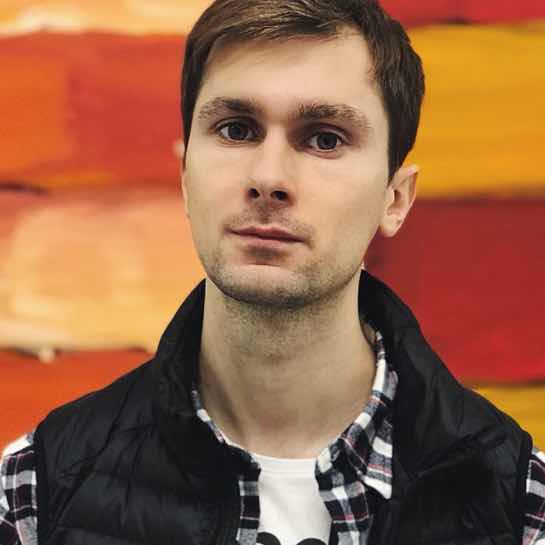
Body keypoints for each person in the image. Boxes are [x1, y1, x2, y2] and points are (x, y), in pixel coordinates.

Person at [1, 1, 544, 544]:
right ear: (186, 177)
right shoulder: (36, 492)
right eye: (237, 130)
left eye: (325, 138)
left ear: (395, 199)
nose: (269, 177)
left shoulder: (521, 507)